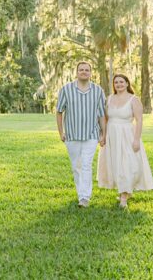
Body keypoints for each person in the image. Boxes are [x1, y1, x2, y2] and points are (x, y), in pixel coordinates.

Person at [97, 73, 153, 208]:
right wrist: (103, 136)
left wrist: (136, 139)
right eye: (116, 82)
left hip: (127, 135)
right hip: (112, 136)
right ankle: (124, 191)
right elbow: (105, 119)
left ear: (127, 83)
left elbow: (139, 120)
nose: (119, 84)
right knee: (115, 164)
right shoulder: (109, 99)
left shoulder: (134, 100)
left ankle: (124, 197)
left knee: (128, 164)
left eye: (121, 82)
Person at [55, 61, 107, 208]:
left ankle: (85, 197)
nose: (84, 72)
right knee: (76, 166)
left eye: (87, 70)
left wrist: (103, 134)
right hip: (72, 135)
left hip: (91, 134)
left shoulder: (98, 90)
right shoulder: (66, 89)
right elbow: (59, 112)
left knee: (86, 164)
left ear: (91, 73)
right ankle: (80, 193)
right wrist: (61, 132)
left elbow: (101, 114)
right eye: (81, 70)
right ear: (76, 72)